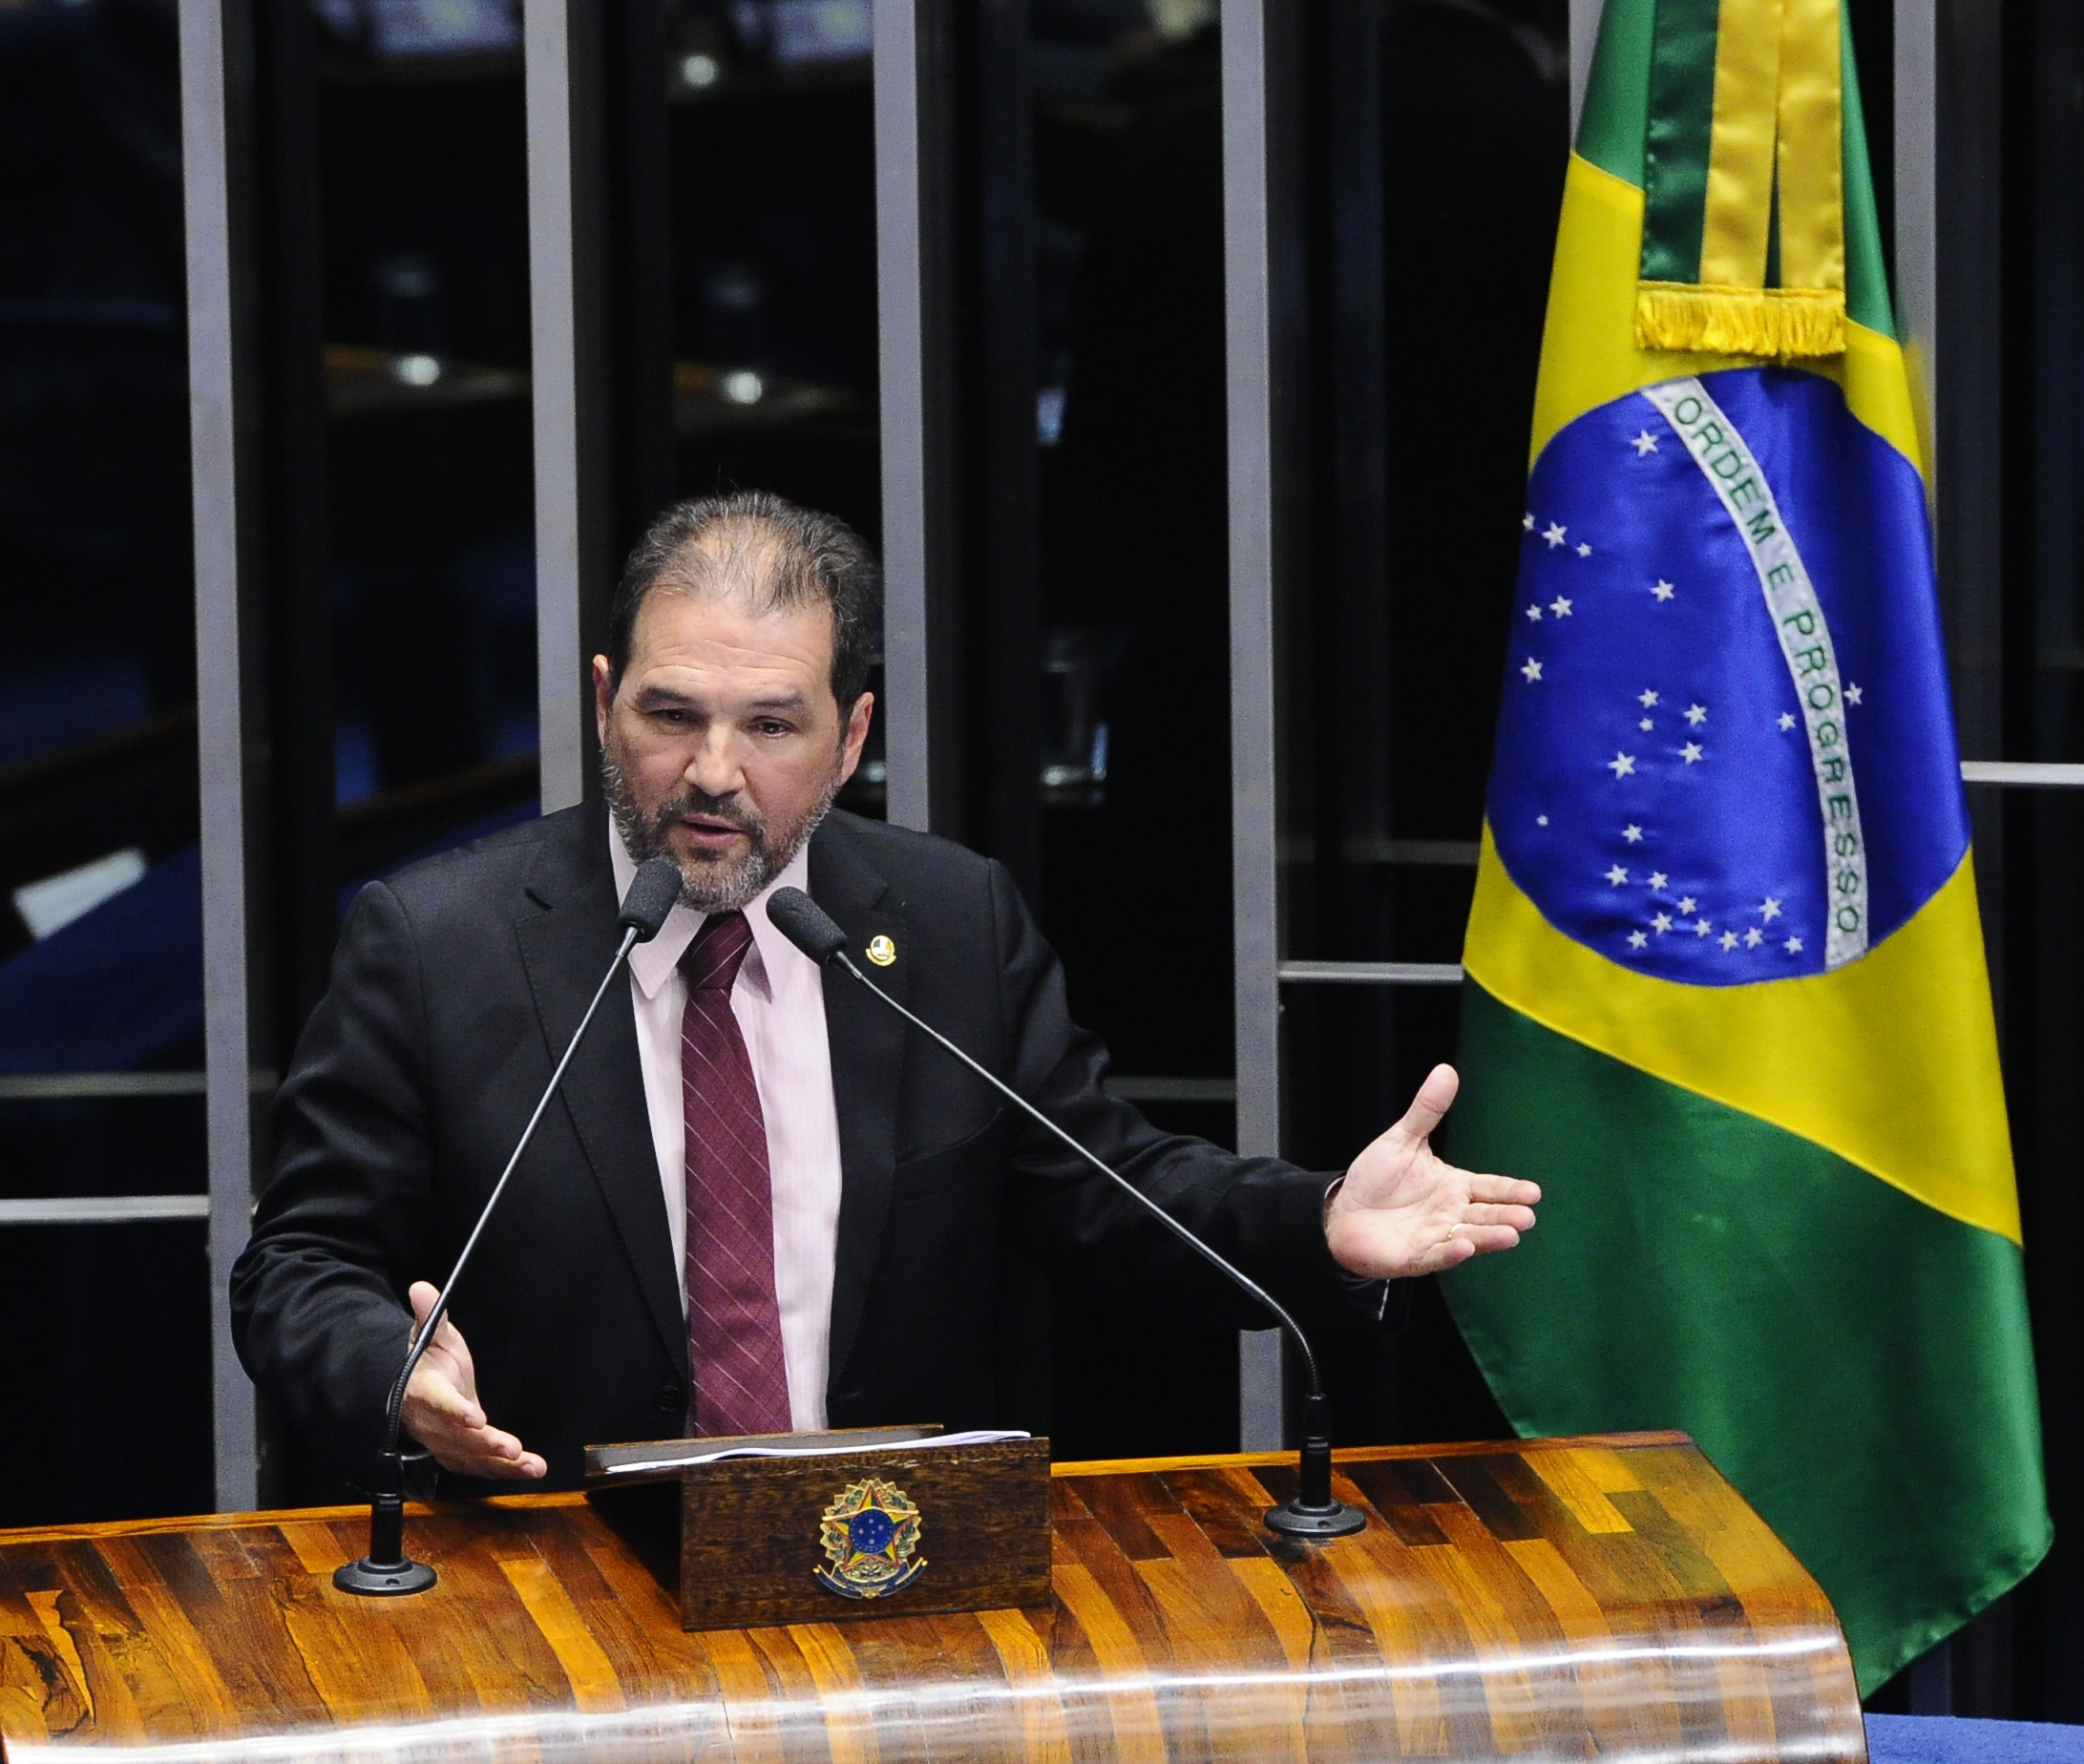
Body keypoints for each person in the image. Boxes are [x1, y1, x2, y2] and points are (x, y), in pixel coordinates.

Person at [231, 491, 1540, 1489]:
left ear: (852, 735)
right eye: (670, 714)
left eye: (771, 725)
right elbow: (300, 1264)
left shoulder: (948, 921)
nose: (712, 772)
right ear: (601, 702)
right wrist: (395, 1374)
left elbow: (1104, 1188)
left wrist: (1316, 1221)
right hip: (556, 1586)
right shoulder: (437, 941)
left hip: (884, 1578)